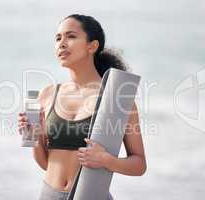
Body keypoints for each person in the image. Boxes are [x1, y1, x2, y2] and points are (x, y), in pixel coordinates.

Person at [18, 14, 147, 200]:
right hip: (49, 194)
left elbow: (139, 164)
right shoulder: (46, 95)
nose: (62, 43)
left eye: (71, 36)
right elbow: (46, 163)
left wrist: (107, 160)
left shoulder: (116, 99)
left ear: (92, 46)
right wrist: (35, 136)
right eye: (58, 38)